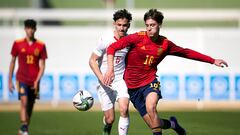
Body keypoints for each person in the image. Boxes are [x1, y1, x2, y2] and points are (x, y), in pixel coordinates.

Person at [105, 9, 228, 135]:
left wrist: (212, 60)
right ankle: (173, 124)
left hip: (149, 82)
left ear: (160, 25)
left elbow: (186, 52)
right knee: (155, 123)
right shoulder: (136, 38)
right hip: (132, 88)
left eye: (152, 25)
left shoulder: (165, 44)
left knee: (151, 106)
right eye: (147, 25)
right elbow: (112, 48)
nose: (149, 29)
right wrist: (110, 70)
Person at [89, 9, 132, 135]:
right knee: (110, 119)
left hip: (120, 81)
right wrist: (101, 78)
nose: (122, 28)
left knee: (124, 108)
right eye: (119, 25)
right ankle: (106, 129)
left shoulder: (130, 41)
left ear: (128, 25)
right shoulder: (106, 39)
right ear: (115, 24)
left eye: (125, 25)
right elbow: (92, 61)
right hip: (105, 83)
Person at [8, 19, 48, 135]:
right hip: (22, 78)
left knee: (30, 106)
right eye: (28, 28)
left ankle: (23, 129)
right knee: (24, 102)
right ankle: (24, 126)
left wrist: (37, 80)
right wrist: (10, 80)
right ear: (25, 29)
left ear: (35, 29)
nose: (30, 30)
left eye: (32, 28)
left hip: (34, 81)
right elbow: (12, 62)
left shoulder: (41, 45)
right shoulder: (17, 43)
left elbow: (43, 66)